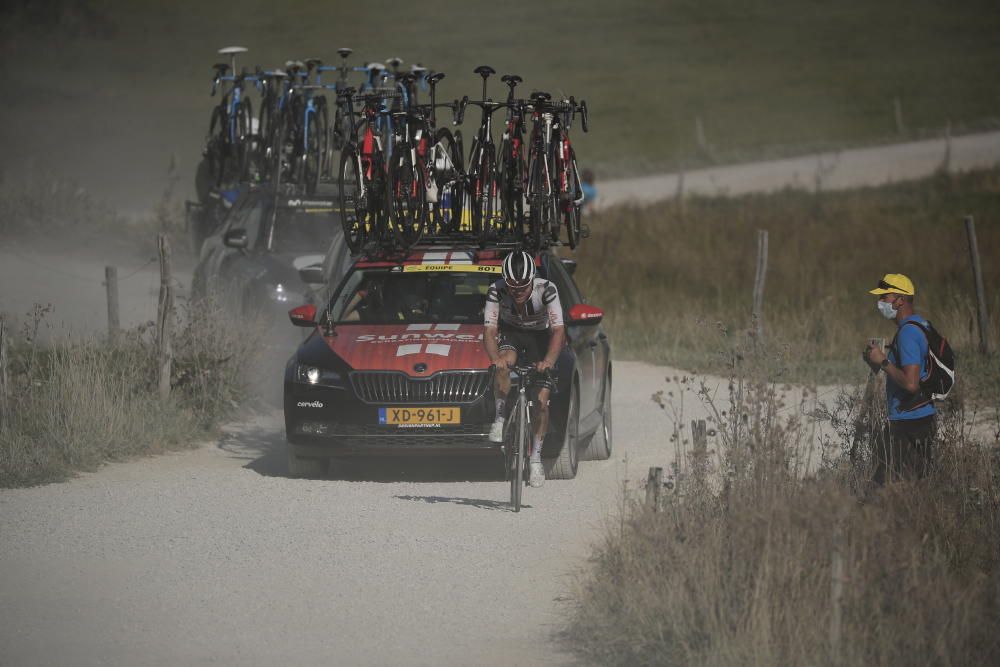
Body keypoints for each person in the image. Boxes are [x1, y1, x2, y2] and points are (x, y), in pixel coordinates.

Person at [483, 251, 566, 488]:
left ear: (532, 280)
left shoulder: (547, 290)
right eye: (512, 287)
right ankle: (499, 418)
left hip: (541, 338)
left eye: (523, 287)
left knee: (541, 401)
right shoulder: (496, 290)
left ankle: (536, 459)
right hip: (512, 334)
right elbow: (489, 331)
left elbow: (559, 330)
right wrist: (495, 358)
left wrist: (548, 361)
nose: (517, 292)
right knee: (503, 362)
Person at [862, 273, 936, 484]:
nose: (880, 302)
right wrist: (877, 362)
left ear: (901, 300)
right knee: (913, 488)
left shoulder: (907, 334)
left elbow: (911, 384)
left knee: (884, 489)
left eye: (885, 297)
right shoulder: (920, 324)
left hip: (909, 423)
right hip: (919, 417)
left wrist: (883, 362)